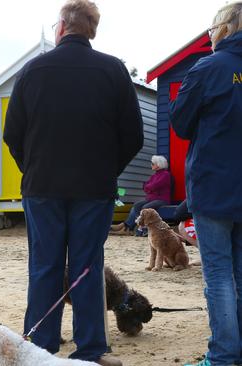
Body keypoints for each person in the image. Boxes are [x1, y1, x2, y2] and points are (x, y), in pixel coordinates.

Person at [3, 1, 143, 365]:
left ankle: (41, 347)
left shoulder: (33, 71)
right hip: (94, 187)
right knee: (86, 267)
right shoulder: (113, 71)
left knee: (45, 266)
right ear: (91, 30)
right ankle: (92, 349)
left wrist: (31, 167)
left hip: (43, 186)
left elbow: (12, 133)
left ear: (61, 27)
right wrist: (107, 170)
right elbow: (134, 136)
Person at [170, 3, 242, 365]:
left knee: (218, 274)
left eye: (211, 29)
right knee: (240, 275)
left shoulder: (209, 67)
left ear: (226, 27)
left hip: (214, 185)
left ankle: (224, 356)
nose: (210, 35)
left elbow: (180, 122)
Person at [110, 155, 172, 235]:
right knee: (136, 205)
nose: (151, 165)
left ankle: (137, 228)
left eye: (153, 163)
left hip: (161, 200)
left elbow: (153, 186)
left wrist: (149, 187)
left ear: (159, 164)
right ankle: (126, 227)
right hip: (152, 199)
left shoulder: (165, 175)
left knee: (145, 207)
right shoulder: (154, 175)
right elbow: (145, 186)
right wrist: (149, 187)